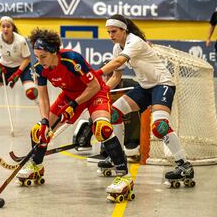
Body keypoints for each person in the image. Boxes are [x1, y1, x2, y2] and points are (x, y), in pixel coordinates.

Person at [16, 28, 134, 202]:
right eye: (37, 56)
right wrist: (44, 120)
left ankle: (124, 177)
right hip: (70, 95)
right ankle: (36, 167)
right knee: (38, 131)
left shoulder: (72, 59)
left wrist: (74, 104)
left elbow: (94, 86)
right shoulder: (40, 68)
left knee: (103, 129)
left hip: (94, 92)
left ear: (54, 52)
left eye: (43, 57)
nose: (39, 61)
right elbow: (43, 98)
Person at [96, 14, 195, 184]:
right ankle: (116, 158)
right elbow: (115, 77)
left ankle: (184, 165)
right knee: (114, 113)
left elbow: (118, 62)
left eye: (114, 31)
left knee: (159, 127)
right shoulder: (117, 48)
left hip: (162, 84)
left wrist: (94, 75)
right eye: (108, 32)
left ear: (124, 30)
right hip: (145, 87)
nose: (111, 35)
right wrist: (98, 90)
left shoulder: (134, 41)